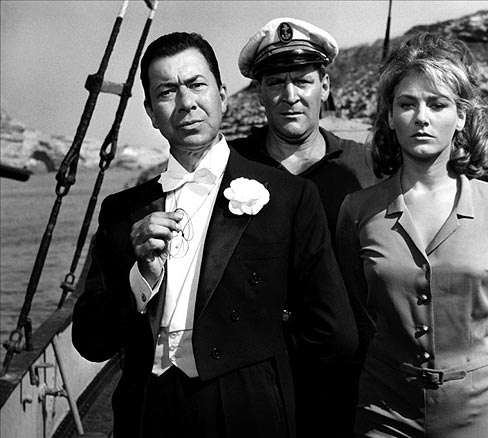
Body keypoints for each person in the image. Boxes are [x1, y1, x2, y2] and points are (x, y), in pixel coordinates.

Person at [72, 31, 358, 438]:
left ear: (222, 96)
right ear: (151, 112)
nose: (186, 103)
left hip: (248, 414)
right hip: (145, 415)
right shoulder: (121, 212)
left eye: (196, 85)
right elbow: (90, 341)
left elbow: (334, 333)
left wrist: (264, 376)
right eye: (167, 91)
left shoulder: (289, 197)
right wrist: (140, 278)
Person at [336, 32, 488, 438]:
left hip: (479, 412)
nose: (421, 117)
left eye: (437, 104)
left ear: (461, 117)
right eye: (407, 104)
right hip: (385, 409)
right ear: (390, 117)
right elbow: (357, 314)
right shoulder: (358, 210)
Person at [232, 17, 376, 437]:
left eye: (303, 81)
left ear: (325, 87)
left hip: (348, 379)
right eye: (275, 82)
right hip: (254, 376)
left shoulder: (364, 167)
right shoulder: (231, 166)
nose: (290, 95)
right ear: (259, 92)